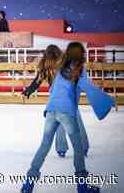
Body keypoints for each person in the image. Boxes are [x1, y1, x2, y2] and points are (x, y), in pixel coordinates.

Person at [21, 42, 114, 193]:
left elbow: (45, 82)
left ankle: (28, 184)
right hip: (66, 111)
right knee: (77, 149)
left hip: (51, 110)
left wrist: (28, 90)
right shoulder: (78, 69)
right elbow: (90, 89)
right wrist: (108, 101)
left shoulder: (60, 68)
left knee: (44, 146)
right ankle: (82, 187)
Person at [22, 45, 90, 158]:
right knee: (76, 121)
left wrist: (28, 90)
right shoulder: (64, 64)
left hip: (58, 97)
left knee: (59, 122)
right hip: (67, 96)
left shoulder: (49, 65)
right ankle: (82, 148)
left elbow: (37, 81)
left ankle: (62, 148)